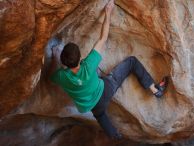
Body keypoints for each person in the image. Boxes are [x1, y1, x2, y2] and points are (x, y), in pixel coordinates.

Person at [50, 0, 168, 140]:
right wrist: (107, 12)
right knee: (131, 62)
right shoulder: (89, 64)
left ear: (64, 63)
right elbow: (103, 38)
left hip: (93, 106)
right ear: (80, 57)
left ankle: (115, 135)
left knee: (100, 115)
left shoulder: (62, 77)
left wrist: (56, 58)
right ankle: (155, 90)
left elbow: (53, 77)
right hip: (105, 90)